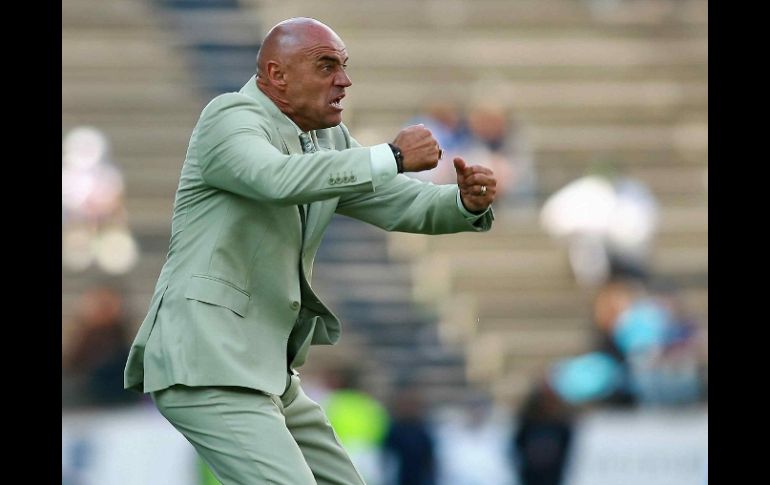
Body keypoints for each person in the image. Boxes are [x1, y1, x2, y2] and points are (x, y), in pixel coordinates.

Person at [123, 17, 497, 484]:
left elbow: (396, 201)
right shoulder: (229, 116)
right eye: (326, 66)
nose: (344, 80)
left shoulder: (324, 139)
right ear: (277, 76)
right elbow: (274, 179)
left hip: (266, 373)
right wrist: (393, 156)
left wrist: (462, 203)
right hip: (207, 364)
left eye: (343, 66)